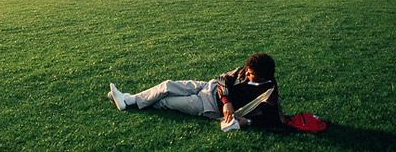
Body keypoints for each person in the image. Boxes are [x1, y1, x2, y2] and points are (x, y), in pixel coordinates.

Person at [109, 53, 283, 129]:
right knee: (168, 85)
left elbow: (274, 119)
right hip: (208, 86)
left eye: (251, 74)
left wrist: (246, 122)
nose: (247, 74)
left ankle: (127, 100)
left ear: (262, 76)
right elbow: (223, 78)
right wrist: (227, 102)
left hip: (207, 106)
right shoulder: (245, 71)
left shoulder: (269, 95)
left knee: (165, 102)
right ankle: (128, 100)